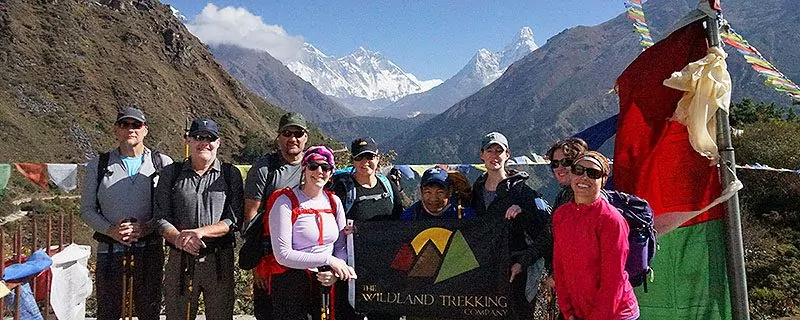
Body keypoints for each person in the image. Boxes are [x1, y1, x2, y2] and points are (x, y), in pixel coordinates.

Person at [81, 107, 172, 320]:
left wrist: (147, 227)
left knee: (148, 312)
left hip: (150, 250)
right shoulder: (98, 165)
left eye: (136, 125)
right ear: (116, 130)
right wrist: (110, 230)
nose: (131, 129)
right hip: (109, 251)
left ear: (145, 130)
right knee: (109, 311)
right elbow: (86, 209)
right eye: (125, 124)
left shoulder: (162, 163)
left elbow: (168, 209)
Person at [154, 118, 243, 320]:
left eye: (210, 138)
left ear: (218, 142)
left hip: (219, 260)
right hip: (180, 260)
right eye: (198, 137)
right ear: (188, 141)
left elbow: (234, 219)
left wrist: (200, 232)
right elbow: (160, 217)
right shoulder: (171, 173)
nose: (205, 142)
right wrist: (178, 239)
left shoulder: (230, 174)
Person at [469, 131, 553, 320]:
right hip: (485, 269)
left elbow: (545, 233)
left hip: (516, 271)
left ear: (508, 155)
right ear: (482, 155)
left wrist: (523, 213)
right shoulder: (476, 191)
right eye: (489, 150)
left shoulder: (522, 192)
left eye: (499, 150)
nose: (494, 155)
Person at [266, 146, 354, 319]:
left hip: (326, 283)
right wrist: (328, 260)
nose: (319, 171)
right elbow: (282, 255)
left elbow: (341, 246)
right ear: (304, 168)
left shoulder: (334, 201)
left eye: (326, 167)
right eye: (313, 166)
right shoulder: (285, 202)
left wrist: (334, 273)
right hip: (292, 286)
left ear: (331, 172)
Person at [552, 151, 639, 320]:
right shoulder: (561, 215)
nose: (584, 177)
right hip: (578, 312)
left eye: (593, 173)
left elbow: (613, 280)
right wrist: (567, 311)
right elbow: (560, 265)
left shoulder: (611, 220)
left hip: (616, 314)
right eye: (579, 170)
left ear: (603, 180)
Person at [328, 137, 404, 320]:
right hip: (350, 270)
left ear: (377, 158)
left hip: (384, 270)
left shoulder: (388, 186)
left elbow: (401, 221)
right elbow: (329, 227)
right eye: (360, 157)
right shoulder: (342, 189)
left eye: (369, 156)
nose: (365, 162)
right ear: (353, 160)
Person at [243, 112, 308, 320]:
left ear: (306, 137)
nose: (293, 138)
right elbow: (251, 216)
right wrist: (257, 264)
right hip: (270, 259)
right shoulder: (265, 168)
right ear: (278, 137)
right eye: (287, 133)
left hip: (305, 259)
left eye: (298, 133)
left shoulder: (315, 167)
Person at [401, 167, 476, 220]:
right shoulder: (409, 217)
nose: (433, 198)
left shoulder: (465, 215)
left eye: (440, 192)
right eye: (428, 192)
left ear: (450, 191)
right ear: (421, 191)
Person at [545, 138, 589, 211]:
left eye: (566, 162)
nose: (560, 167)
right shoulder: (564, 195)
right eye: (555, 163)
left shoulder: (586, 196)